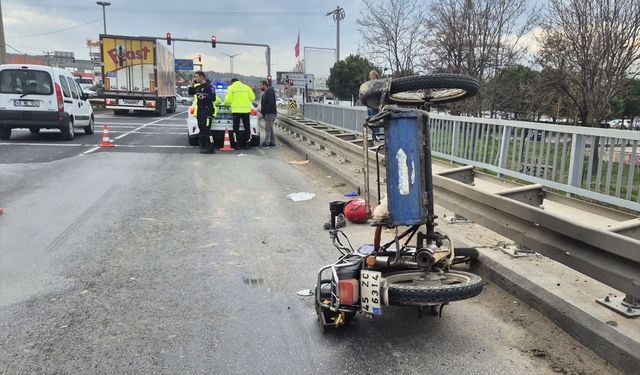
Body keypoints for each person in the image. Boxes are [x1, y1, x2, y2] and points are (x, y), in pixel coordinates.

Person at [188, 71, 216, 154]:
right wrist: (192, 83)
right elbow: (190, 92)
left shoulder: (209, 87)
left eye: (196, 77)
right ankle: (202, 146)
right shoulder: (198, 87)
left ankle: (210, 148)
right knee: (201, 129)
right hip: (200, 110)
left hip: (207, 110)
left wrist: (204, 97)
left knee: (206, 129)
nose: (195, 78)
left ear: (201, 77)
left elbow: (213, 98)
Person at [223, 78, 255, 149]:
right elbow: (252, 98)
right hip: (246, 111)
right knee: (247, 127)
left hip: (236, 111)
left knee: (236, 128)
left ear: (232, 82)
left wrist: (225, 104)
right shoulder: (247, 87)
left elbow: (228, 100)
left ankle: (236, 144)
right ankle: (247, 143)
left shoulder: (231, 88)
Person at [259, 79, 277, 148]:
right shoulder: (266, 92)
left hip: (270, 113)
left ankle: (266, 143)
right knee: (270, 128)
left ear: (265, 85)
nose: (260, 87)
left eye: (261, 85)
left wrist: (267, 113)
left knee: (267, 128)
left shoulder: (269, 91)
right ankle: (272, 142)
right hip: (269, 113)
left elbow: (270, 103)